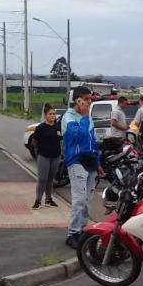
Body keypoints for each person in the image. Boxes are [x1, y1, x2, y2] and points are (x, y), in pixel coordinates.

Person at [61, 86, 103, 249]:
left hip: (90, 161)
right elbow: (80, 136)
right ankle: (72, 234)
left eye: (90, 99)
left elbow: (91, 141)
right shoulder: (68, 117)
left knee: (87, 200)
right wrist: (84, 117)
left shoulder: (88, 117)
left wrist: (98, 163)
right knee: (79, 200)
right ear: (78, 100)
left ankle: (83, 230)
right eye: (86, 99)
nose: (89, 102)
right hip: (77, 161)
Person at [32, 103, 62, 209]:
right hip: (44, 156)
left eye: (54, 114)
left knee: (50, 179)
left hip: (55, 156)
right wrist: (38, 152)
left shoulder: (58, 127)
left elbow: (60, 140)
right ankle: (38, 200)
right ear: (45, 115)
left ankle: (48, 199)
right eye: (50, 114)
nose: (53, 116)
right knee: (42, 179)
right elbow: (34, 141)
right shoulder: (40, 128)